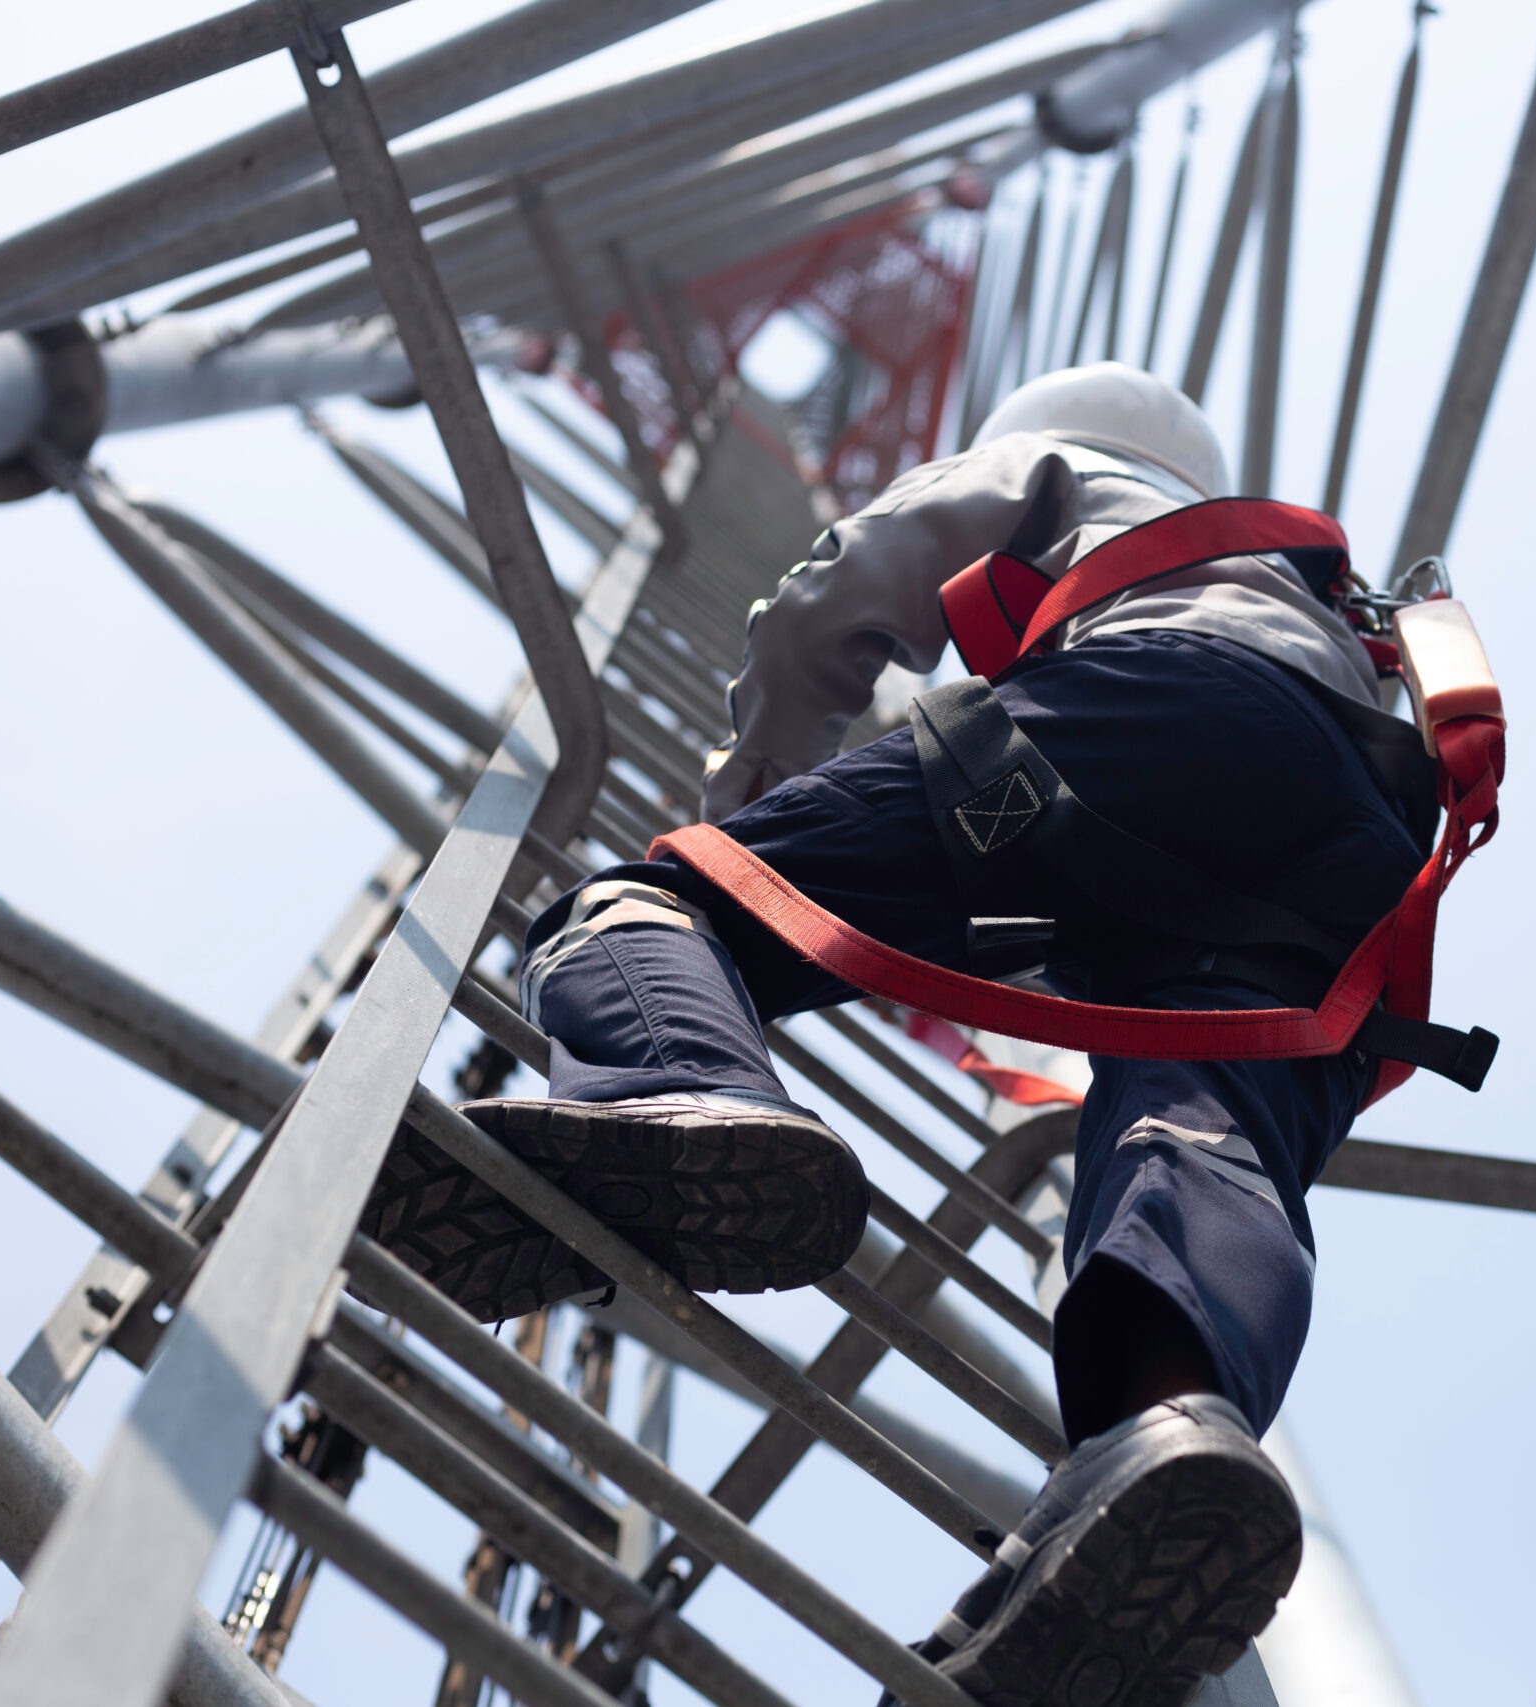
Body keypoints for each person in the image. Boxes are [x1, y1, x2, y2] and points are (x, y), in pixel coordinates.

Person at [362, 362, 1470, 1707]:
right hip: (1355, 872)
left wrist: (762, 804)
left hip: (1156, 718)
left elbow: (846, 580)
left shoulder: (1065, 468)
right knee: (1196, 1143)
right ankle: (1162, 1445)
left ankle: (682, 1085)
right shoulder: (1321, 586)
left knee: (638, 911)